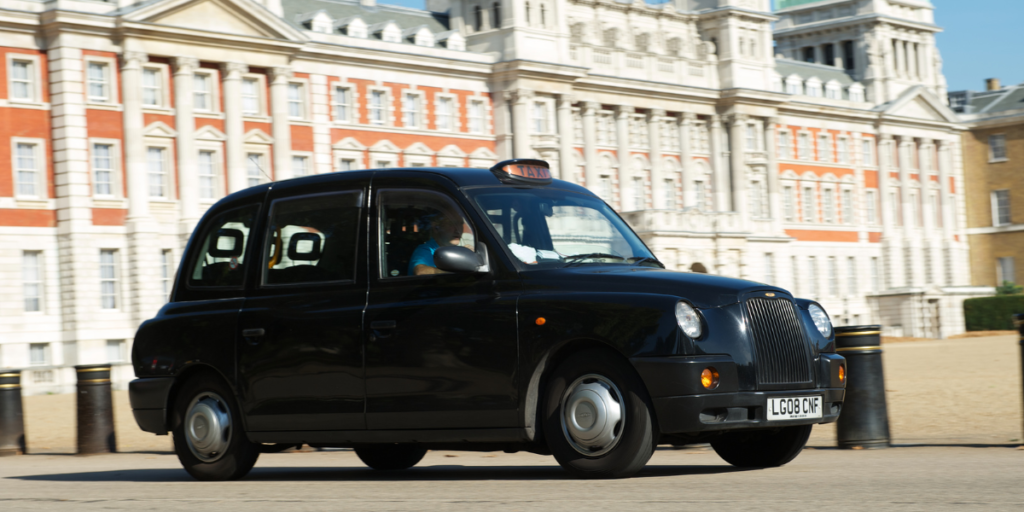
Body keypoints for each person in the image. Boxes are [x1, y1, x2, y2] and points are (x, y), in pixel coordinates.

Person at [408, 210, 466, 276]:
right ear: (436, 228)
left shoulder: (459, 250)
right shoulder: (426, 249)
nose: (458, 230)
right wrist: (457, 273)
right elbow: (420, 271)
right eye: (452, 224)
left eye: (460, 224)